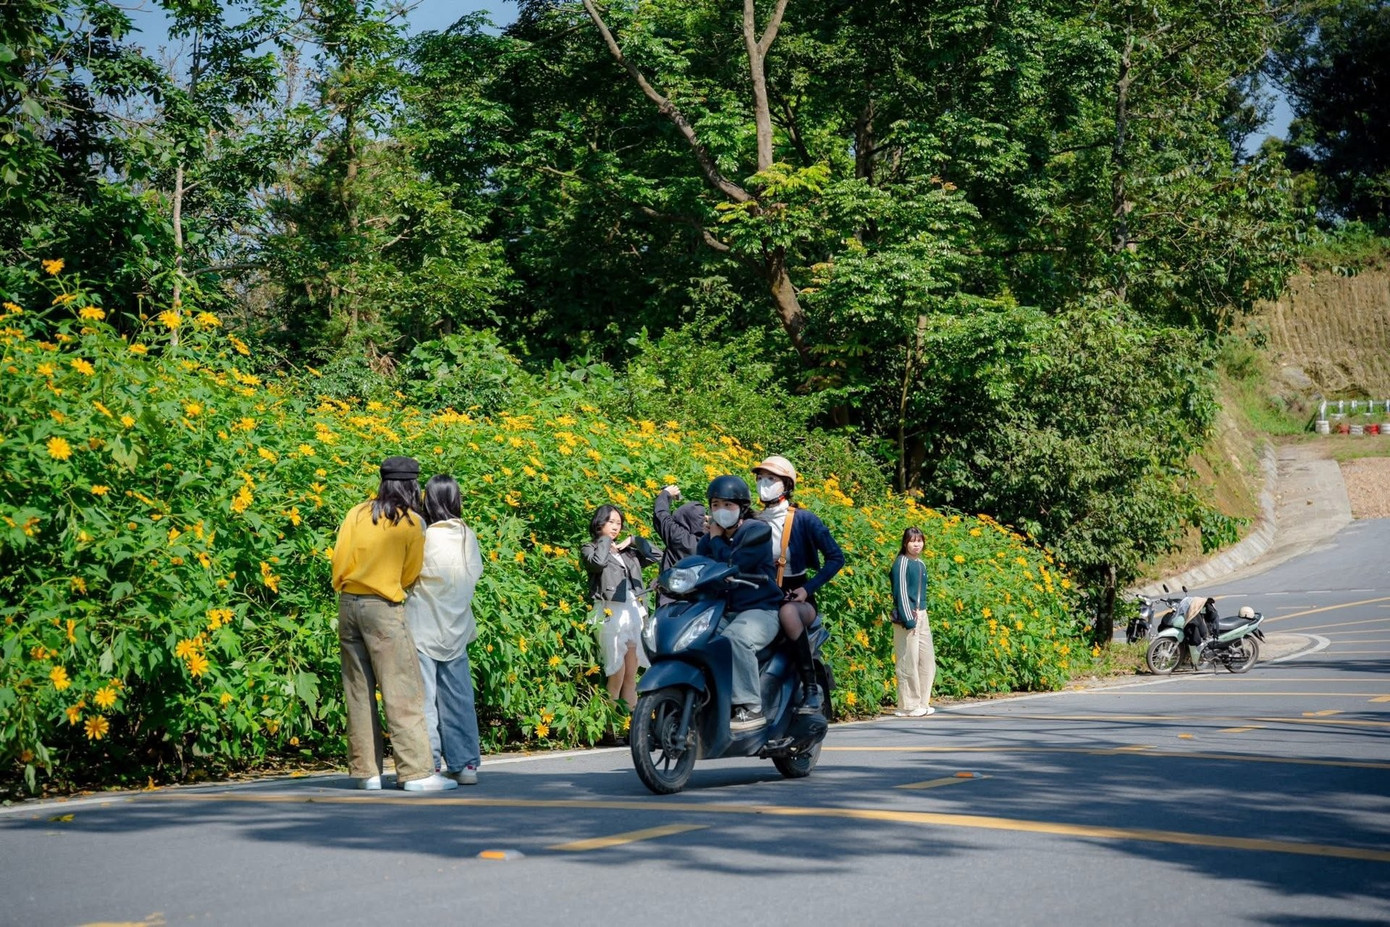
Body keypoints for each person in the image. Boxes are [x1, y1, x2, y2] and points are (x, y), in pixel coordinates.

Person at [330, 456, 457, 791]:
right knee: (402, 690)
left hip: (348, 604)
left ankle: (366, 773)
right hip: (383, 607)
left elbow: (340, 558)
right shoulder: (412, 522)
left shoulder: (357, 513)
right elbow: (411, 572)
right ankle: (416, 773)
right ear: (412, 485)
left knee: (358, 691)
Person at [404, 475, 484, 785]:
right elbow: (473, 576)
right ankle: (466, 765)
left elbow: (409, 576)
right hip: (458, 626)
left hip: (423, 626)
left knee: (425, 700)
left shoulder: (423, 535)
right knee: (459, 698)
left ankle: (431, 764)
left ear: (429, 500)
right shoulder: (468, 536)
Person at [752, 455, 844, 715]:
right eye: (760, 478)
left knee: (788, 612)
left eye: (771, 479)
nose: (763, 483)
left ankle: (811, 688)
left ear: (786, 485)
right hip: (761, 596)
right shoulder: (752, 519)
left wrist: (807, 589)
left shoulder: (804, 519)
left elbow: (836, 558)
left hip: (797, 597)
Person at [697, 475, 783, 731]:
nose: (720, 511)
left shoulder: (756, 531)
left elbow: (733, 565)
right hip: (723, 611)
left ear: (742, 507)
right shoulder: (709, 539)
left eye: (727, 505)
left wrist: (715, 539)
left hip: (760, 609)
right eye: (715, 505)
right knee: (694, 640)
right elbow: (696, 565)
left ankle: (750, 707)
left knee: (737, 639)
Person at [581, 505, 660, 710]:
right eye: (611, 522)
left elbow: (658, 556)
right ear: (599, 523)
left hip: (633, 612)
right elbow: (597, 564)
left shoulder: (628, 553)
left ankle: (629, 726)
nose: (616, 527)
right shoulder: (590, 548)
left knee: (631, 675)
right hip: (610, 612)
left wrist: (634, 541)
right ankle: (610, 724)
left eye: (618, 523)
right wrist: (605, 540)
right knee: (617, 672)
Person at [890, 526, 935, 717]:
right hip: (907, 616)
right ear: (905, 543)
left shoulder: (921, 564)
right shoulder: (901, 563)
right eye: (912, 541)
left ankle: (923, 702)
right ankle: (908, 705)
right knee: (908, 660)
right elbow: (900, 592)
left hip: (922, 614)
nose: (917, 545)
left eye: (920, 541)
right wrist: (908, 618)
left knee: (927, 660)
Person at [653, 484, 706, 605]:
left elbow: (661, 516)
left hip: (671, 599)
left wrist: (665, 494)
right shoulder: (709, 541)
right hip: (698, 602)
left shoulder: (680, 537)